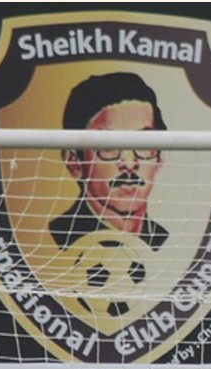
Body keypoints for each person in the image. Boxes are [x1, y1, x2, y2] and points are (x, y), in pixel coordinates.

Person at [52, 72, 169, 251]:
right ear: (74, 161)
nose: (130, 164)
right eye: (109, 145)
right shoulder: (58, 236)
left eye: (144, 143)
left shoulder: (164, 241)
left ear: (160, 157)